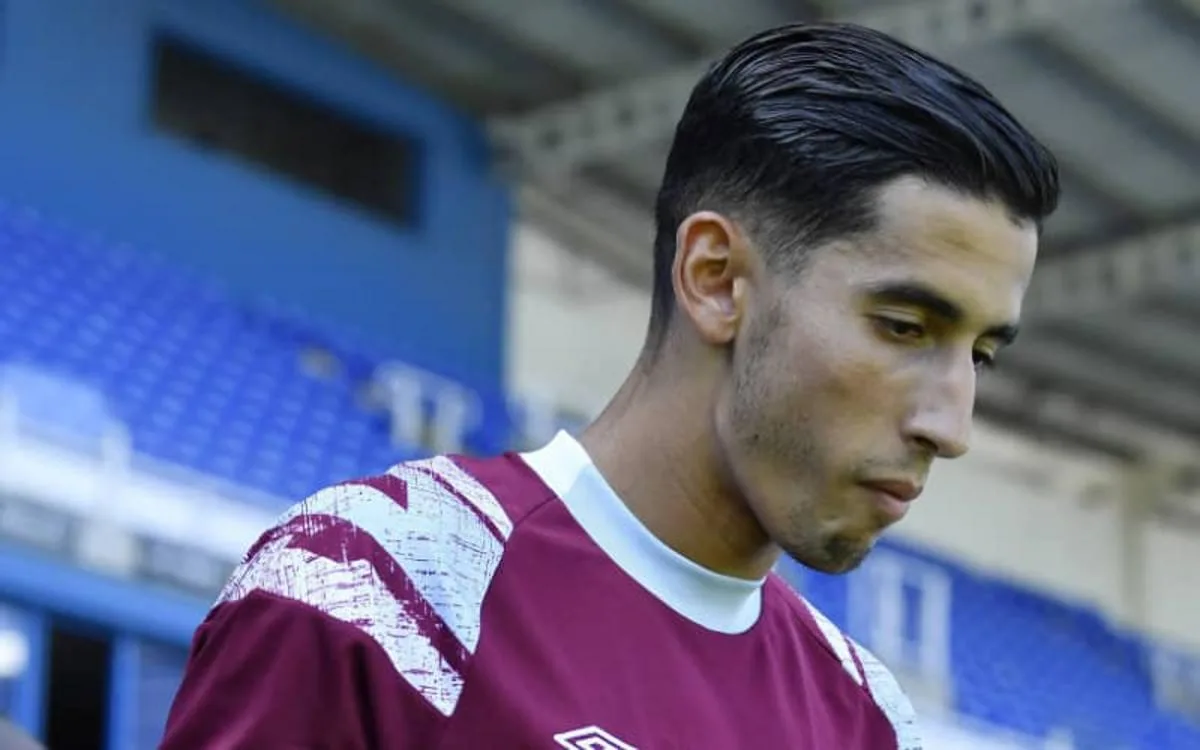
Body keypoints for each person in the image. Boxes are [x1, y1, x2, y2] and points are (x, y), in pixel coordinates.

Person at [160, 22, 1058, 749]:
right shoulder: (383, 587)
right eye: (905, 327)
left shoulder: (869, 723)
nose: (952, 425)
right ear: (716, 279)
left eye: (981, 354)